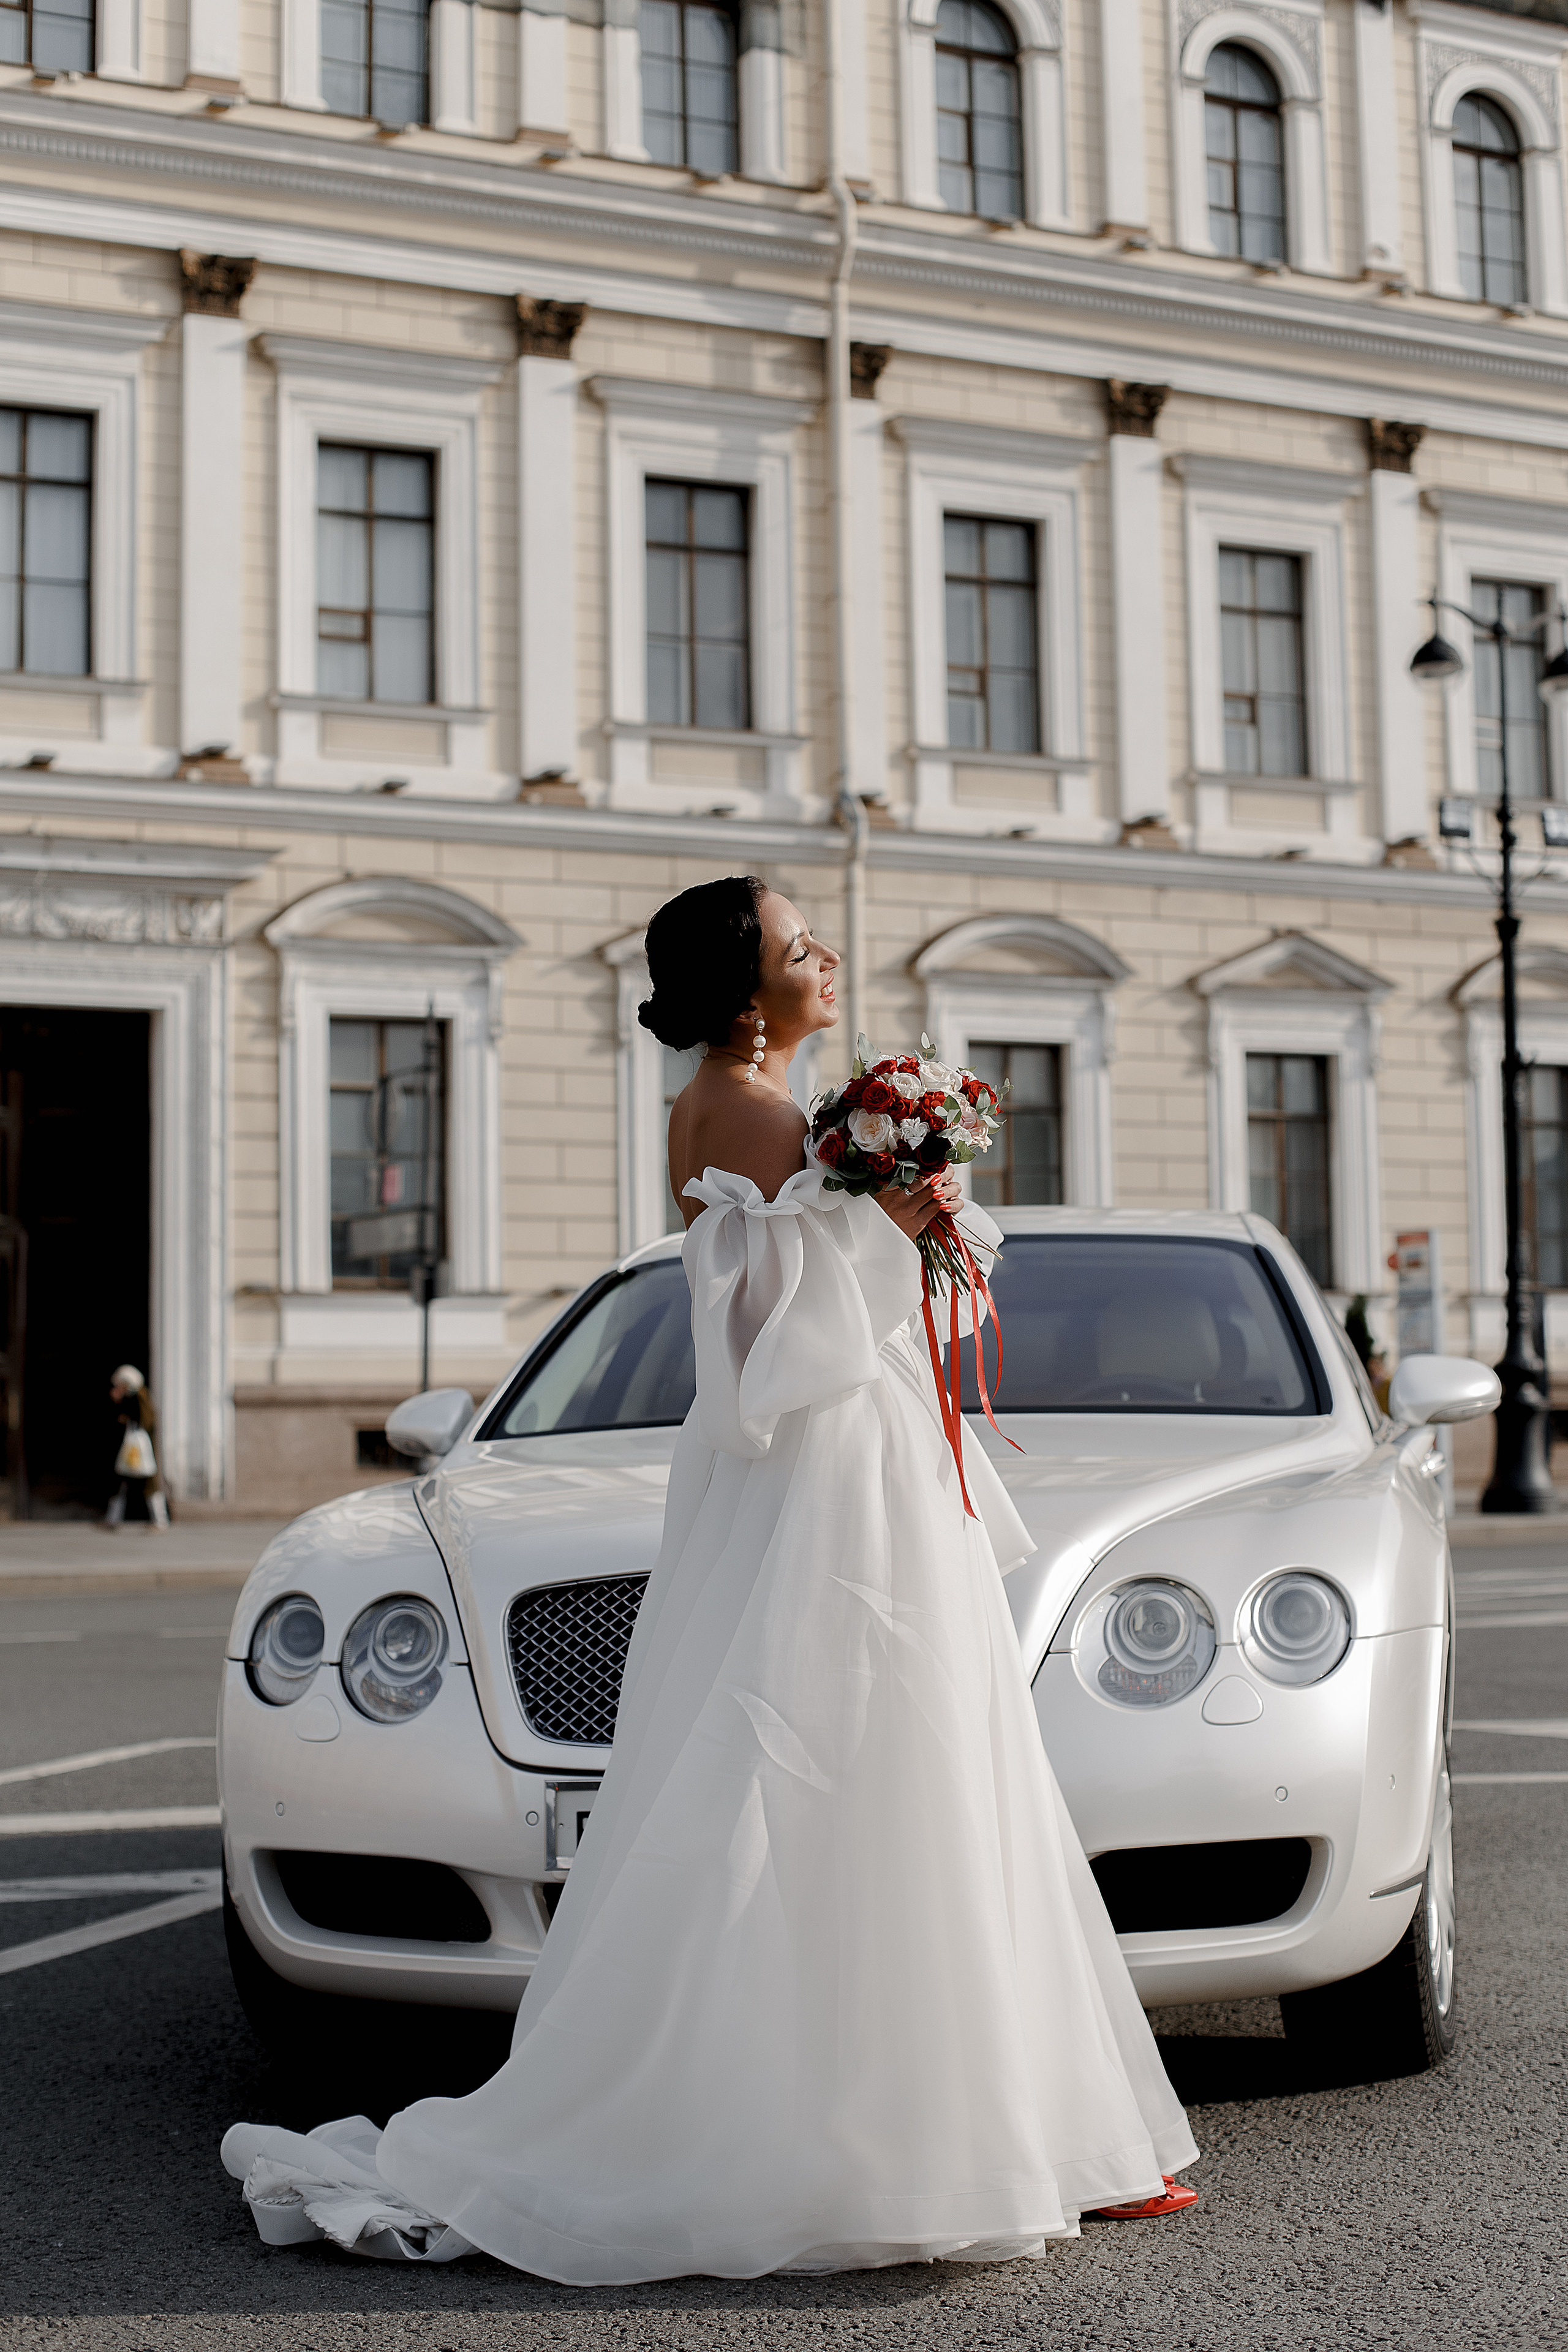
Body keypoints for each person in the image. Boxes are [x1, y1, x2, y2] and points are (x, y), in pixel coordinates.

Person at [221, 875, 1197, 2278]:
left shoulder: (762, 1113)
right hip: (828, 1472)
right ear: (748, 999)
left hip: (845, 1468)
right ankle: (907, 2137)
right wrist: (912, 1210)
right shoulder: (752, 1116)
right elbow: (781, 1341)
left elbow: (848, 1289)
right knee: (857, 1768)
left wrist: (903, 1205)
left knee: (912, 1768)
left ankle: (1014, 2123)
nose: (829, 955)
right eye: (803, 947)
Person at [105, 1365, 168, 1532]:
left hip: (141, 1448)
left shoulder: (139, 1397)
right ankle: (113, 1519)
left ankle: (160, 1520)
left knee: (149, 1483)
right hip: (130, 1448)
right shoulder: (132, 1397)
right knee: (121, 1482)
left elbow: (145, 1421)